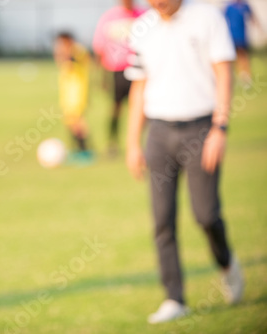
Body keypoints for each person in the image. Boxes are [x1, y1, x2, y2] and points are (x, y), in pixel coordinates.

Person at [125, 0, 244, 324]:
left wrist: (220, 128)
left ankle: (227, 264)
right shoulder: (141, 27)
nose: (157, 3)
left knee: (206, 215)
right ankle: (174, 298)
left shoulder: (208, 19)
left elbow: (223, 71)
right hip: (159, 132)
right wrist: (133, 142)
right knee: (162, 220)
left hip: (201, 128)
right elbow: (139, 87)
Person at [92, 0, 145, 156]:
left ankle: (140, 143)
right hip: (117, 70)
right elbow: (99, 47)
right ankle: (113, 142)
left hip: (140, 69)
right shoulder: (109, 17)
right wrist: (102, 76)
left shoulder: (144, 15)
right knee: (115, 108)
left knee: (142, 108)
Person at [53, 32, 93, 163]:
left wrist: (66, 53)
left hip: (78, 92)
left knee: (78, 121)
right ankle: (76, 150)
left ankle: (85, 150)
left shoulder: (77, 50)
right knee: (70, 121)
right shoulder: (64, 53)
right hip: (67, 93)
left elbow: (83, 60)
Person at [224, 0, 259, 85]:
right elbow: (223, 20)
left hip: (242, 35)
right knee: (231, 57)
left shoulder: (245, 5)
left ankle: (246, 76)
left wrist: (258, 28)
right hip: (231, 35)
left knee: (243, 56)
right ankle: (234, 76)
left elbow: (252, 17)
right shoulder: (229, 7)